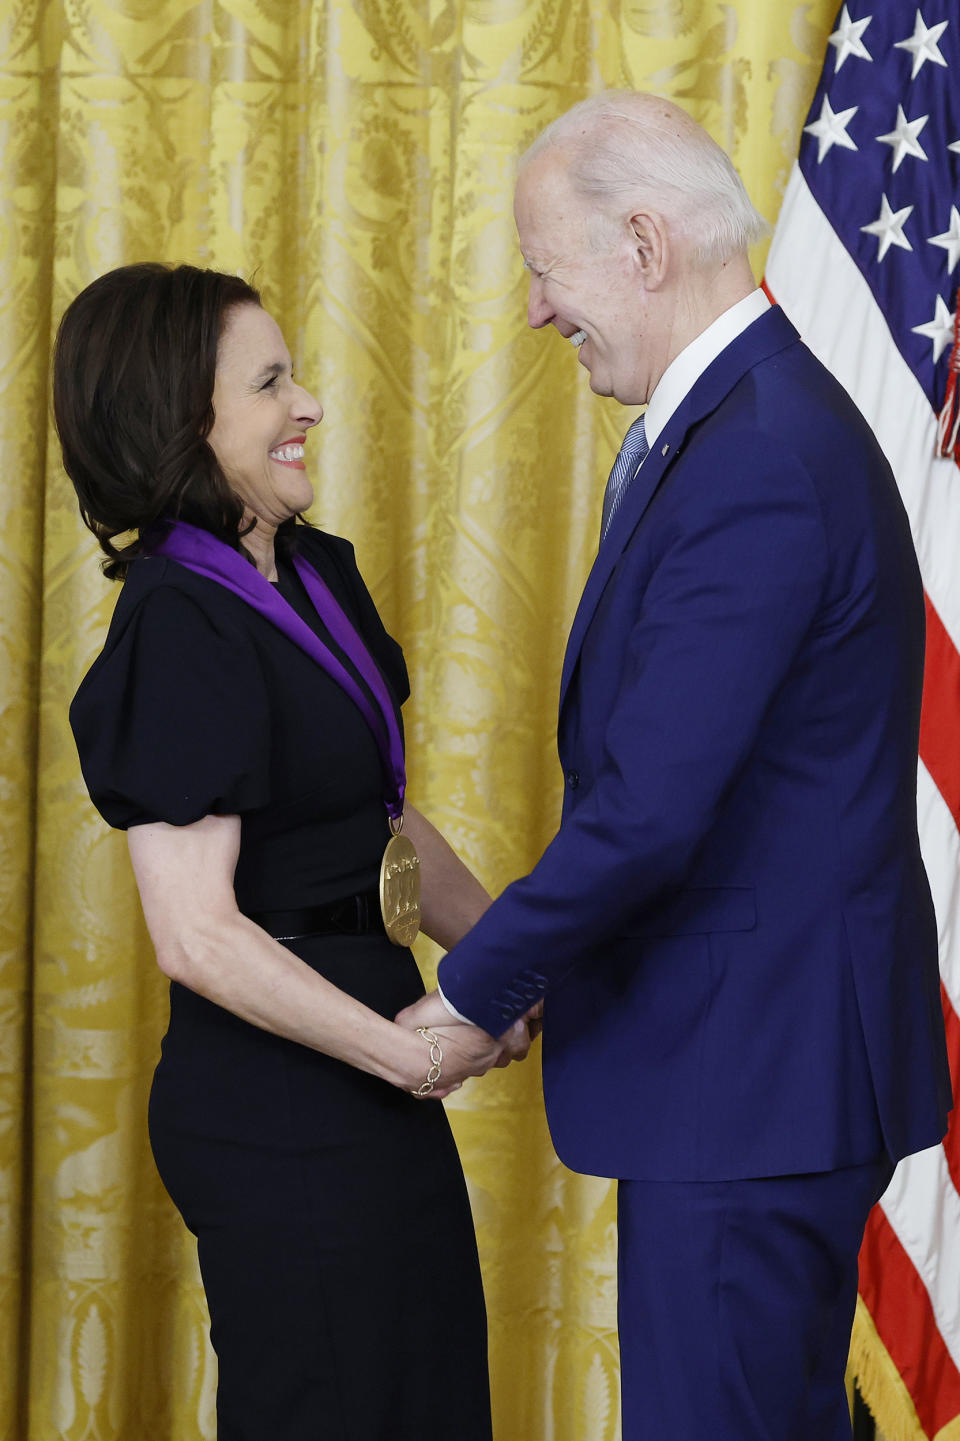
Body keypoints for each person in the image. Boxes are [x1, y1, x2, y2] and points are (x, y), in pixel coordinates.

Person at [397, 92, 952, 1439]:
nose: (535, 310)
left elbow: (651, 810)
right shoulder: (744, 422)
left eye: (544, 264)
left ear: (643, 243)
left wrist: (475, 991)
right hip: (754, 1067)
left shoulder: (757, 451)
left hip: (747, 1076)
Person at [57, 262, 530, 1441]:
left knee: (427, 1408)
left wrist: (512, 969)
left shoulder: (317, 572)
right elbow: (195, 935)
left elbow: (384, 821)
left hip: (378, 1067)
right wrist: (404, 1057)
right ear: (183, 419)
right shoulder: (176, 619)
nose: (309, 402)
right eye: (271, 382)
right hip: (281, 1098)